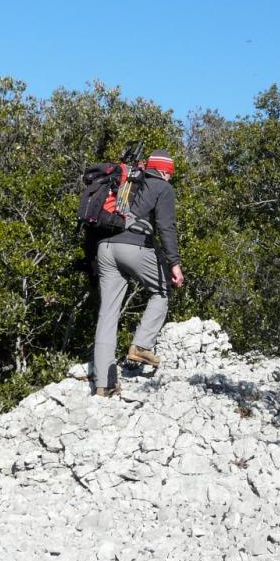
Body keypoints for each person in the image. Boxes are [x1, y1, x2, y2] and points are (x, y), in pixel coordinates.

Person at [92, 148, 184, 397]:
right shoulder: (162, 188)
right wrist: (174, 263)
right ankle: (141, 345)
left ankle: (104, 385)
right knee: (161, 291)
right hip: (133, 245)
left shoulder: (126, 183)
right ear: (165, 172)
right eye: (170, 174)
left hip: (105, 247)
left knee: (107, 314)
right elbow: (166, 227)